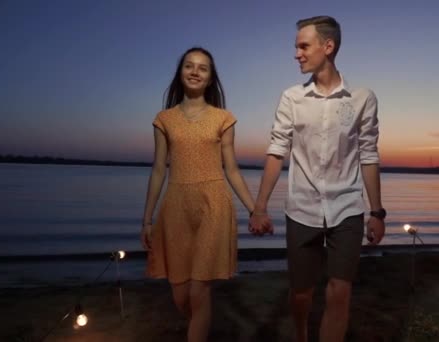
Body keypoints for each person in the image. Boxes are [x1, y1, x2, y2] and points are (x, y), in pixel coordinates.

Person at [249, 16, 387, 342]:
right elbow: (276, 151)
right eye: (296, 46)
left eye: (303, 46)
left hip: (347, 207)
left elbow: (368, 154)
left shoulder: (362, 98)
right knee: (301, 294)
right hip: (302, 209)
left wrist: (377, 212)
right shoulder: (291, 98)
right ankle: (301, 335)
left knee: (340, 291)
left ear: (328, 47)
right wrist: (259, 207)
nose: (297, 53)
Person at [141, 46, 256, 342]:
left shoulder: (223, 118)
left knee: (198, 291)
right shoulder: (164, 119)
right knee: (180, 294)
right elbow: (157, 170)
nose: (195, 71)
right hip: (176, 207)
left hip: (213, 205)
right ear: (180, 74)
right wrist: (147, 219)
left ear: (210, 78)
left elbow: (231, 169)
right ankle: (200, 327)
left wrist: (256, 209)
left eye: (202, 68)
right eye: (189, 66)